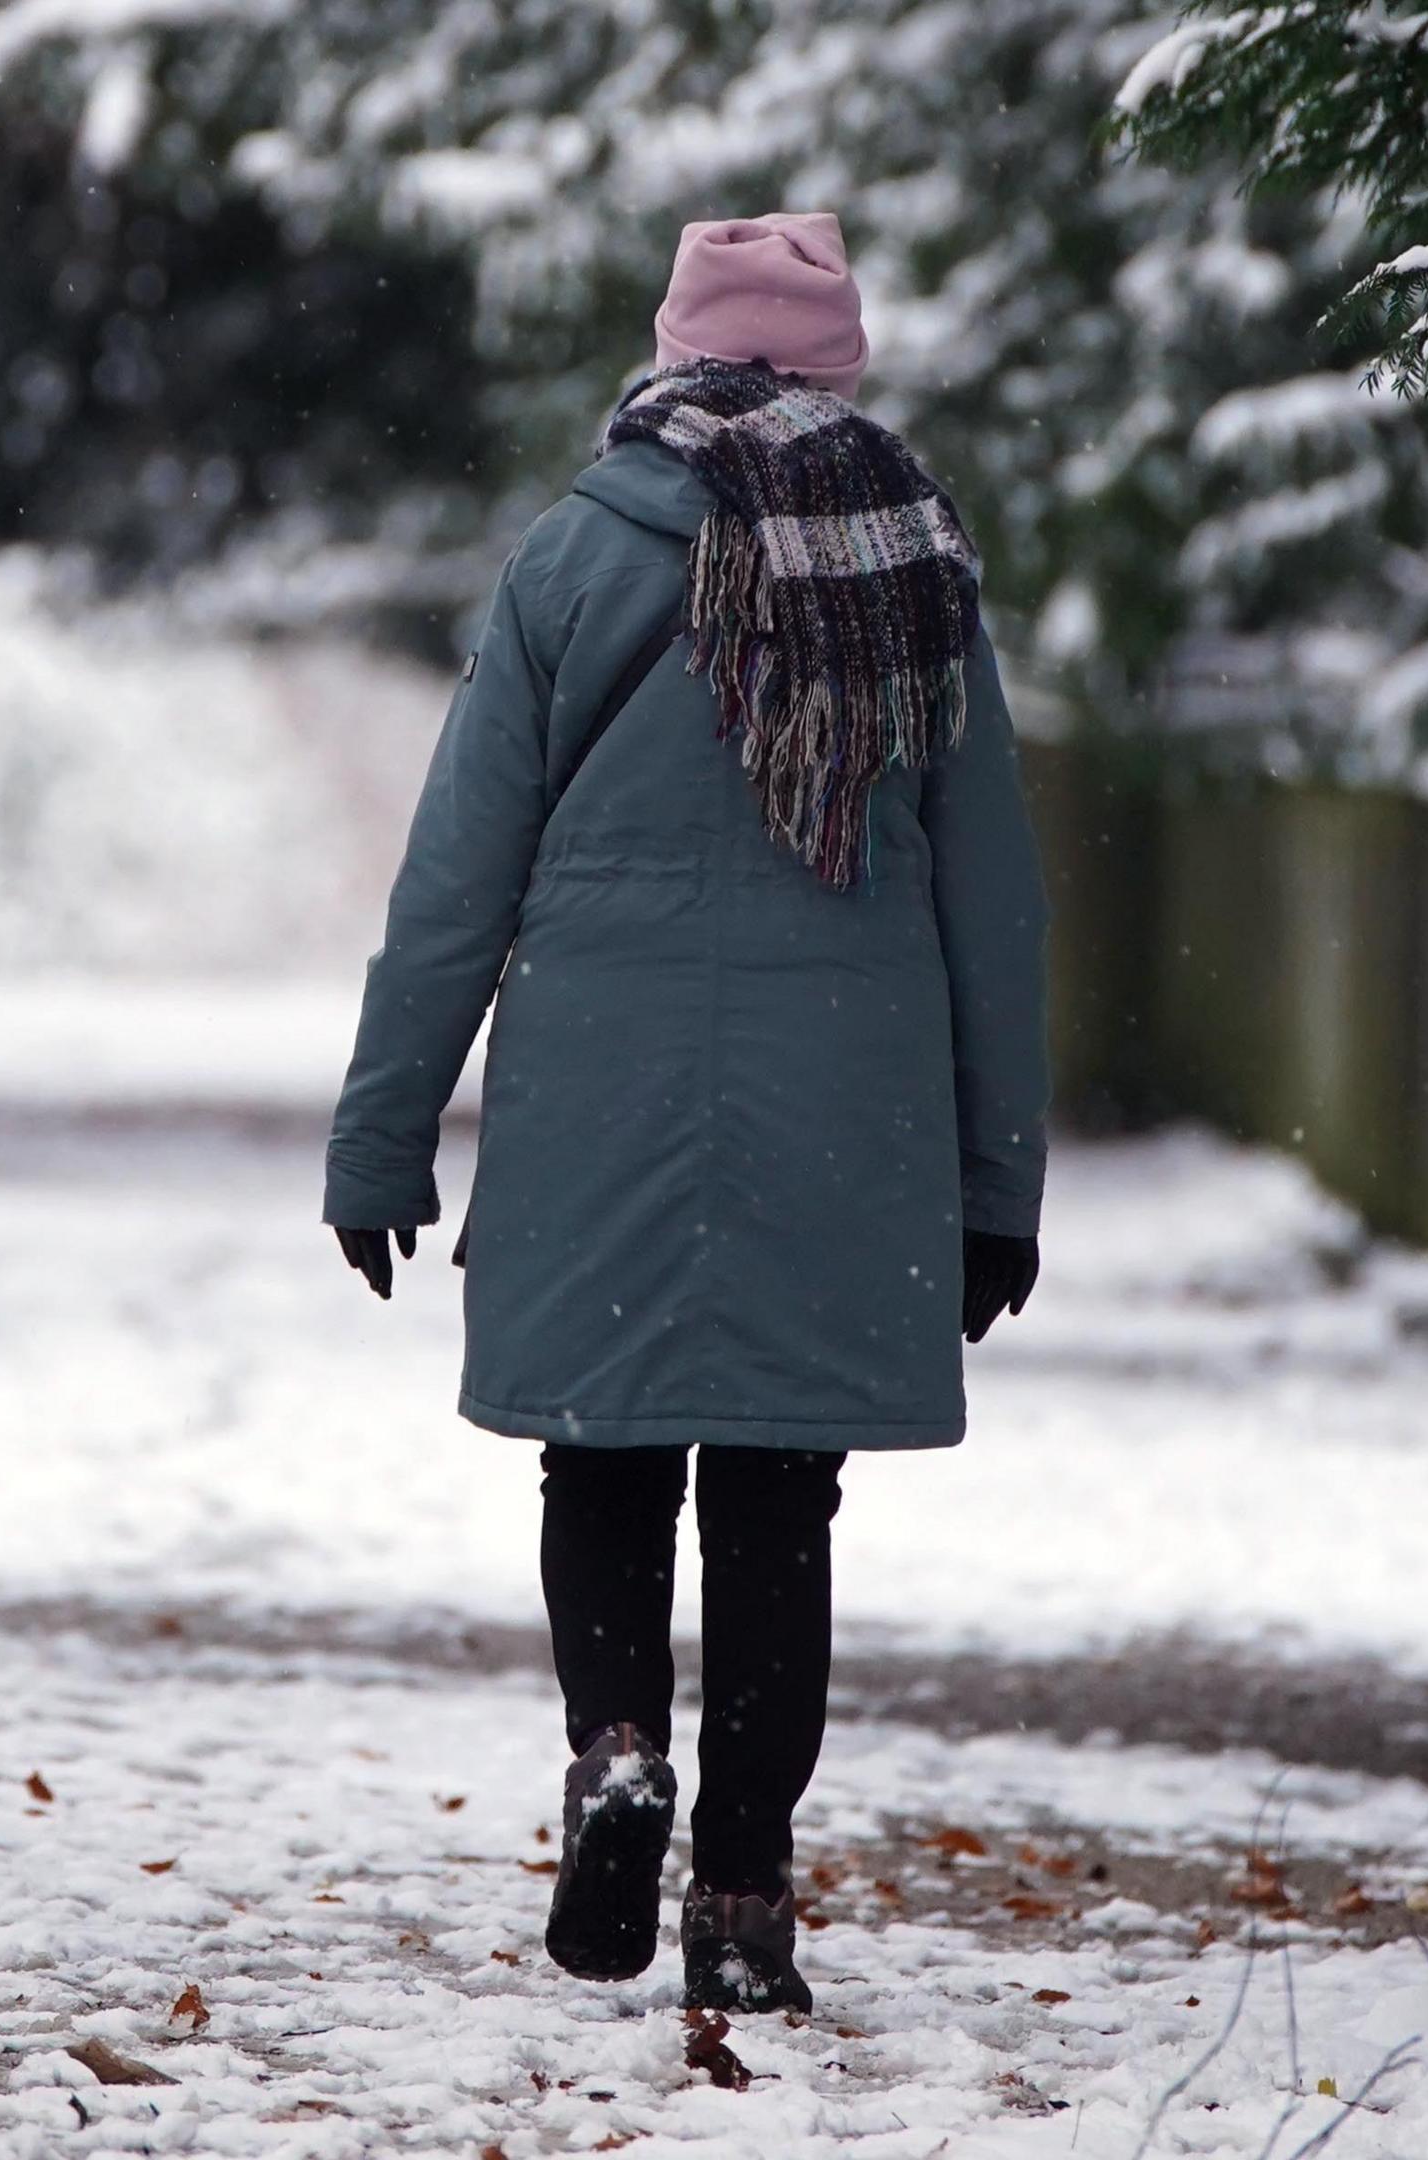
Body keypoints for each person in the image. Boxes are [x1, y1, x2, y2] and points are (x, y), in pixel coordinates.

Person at [322, 212, 1048, 2016]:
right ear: (840, 366)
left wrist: (383, 1132)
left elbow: (455, 879)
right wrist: (992, 1176)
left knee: (607, 1450)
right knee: (781, 1499)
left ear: (672, 355)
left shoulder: (573, 556)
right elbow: (992, 901)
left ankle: (618, 1749)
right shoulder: (910, 564)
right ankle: (741, 1895)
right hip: (846, 1101)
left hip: (601, 1078)